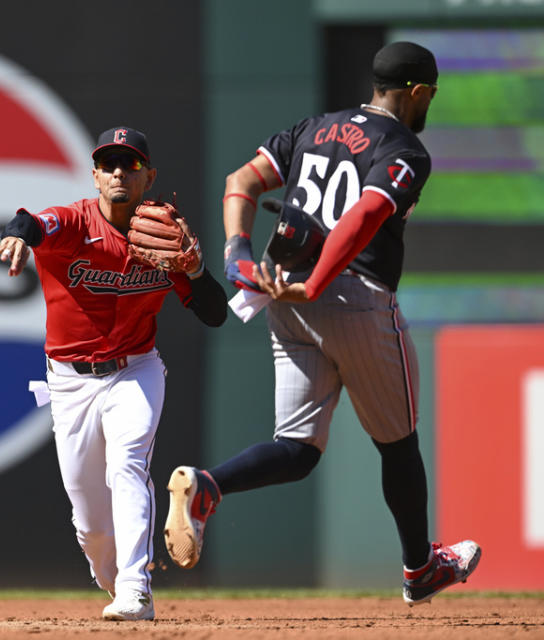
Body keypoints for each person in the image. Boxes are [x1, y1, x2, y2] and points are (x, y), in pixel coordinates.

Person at [163, 42, 481, 605]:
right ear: (416, 91)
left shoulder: (315, 128)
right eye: (430, 92)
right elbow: (364, 215)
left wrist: (238, 253)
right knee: (399, 445)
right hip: (351, 294)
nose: (430, 101)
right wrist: (318, 281)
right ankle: (419, 569)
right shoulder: (404, 147)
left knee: (299, 448)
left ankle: (208, 485)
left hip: (282, 297)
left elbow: (242, 181)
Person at [0, 126, 228, 621]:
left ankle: (136, 589)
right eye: (110, 164)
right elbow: (31, 222)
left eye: (131, 164)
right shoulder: (74, 223)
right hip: (70, 380)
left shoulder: (164, 235)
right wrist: (17, 234)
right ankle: (116, 577)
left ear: (149, 176)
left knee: (128, 466)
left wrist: (197, 269)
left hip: (136, 370)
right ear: (95, 175)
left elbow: (214, 314)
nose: (120, 172)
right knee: (91, 525)